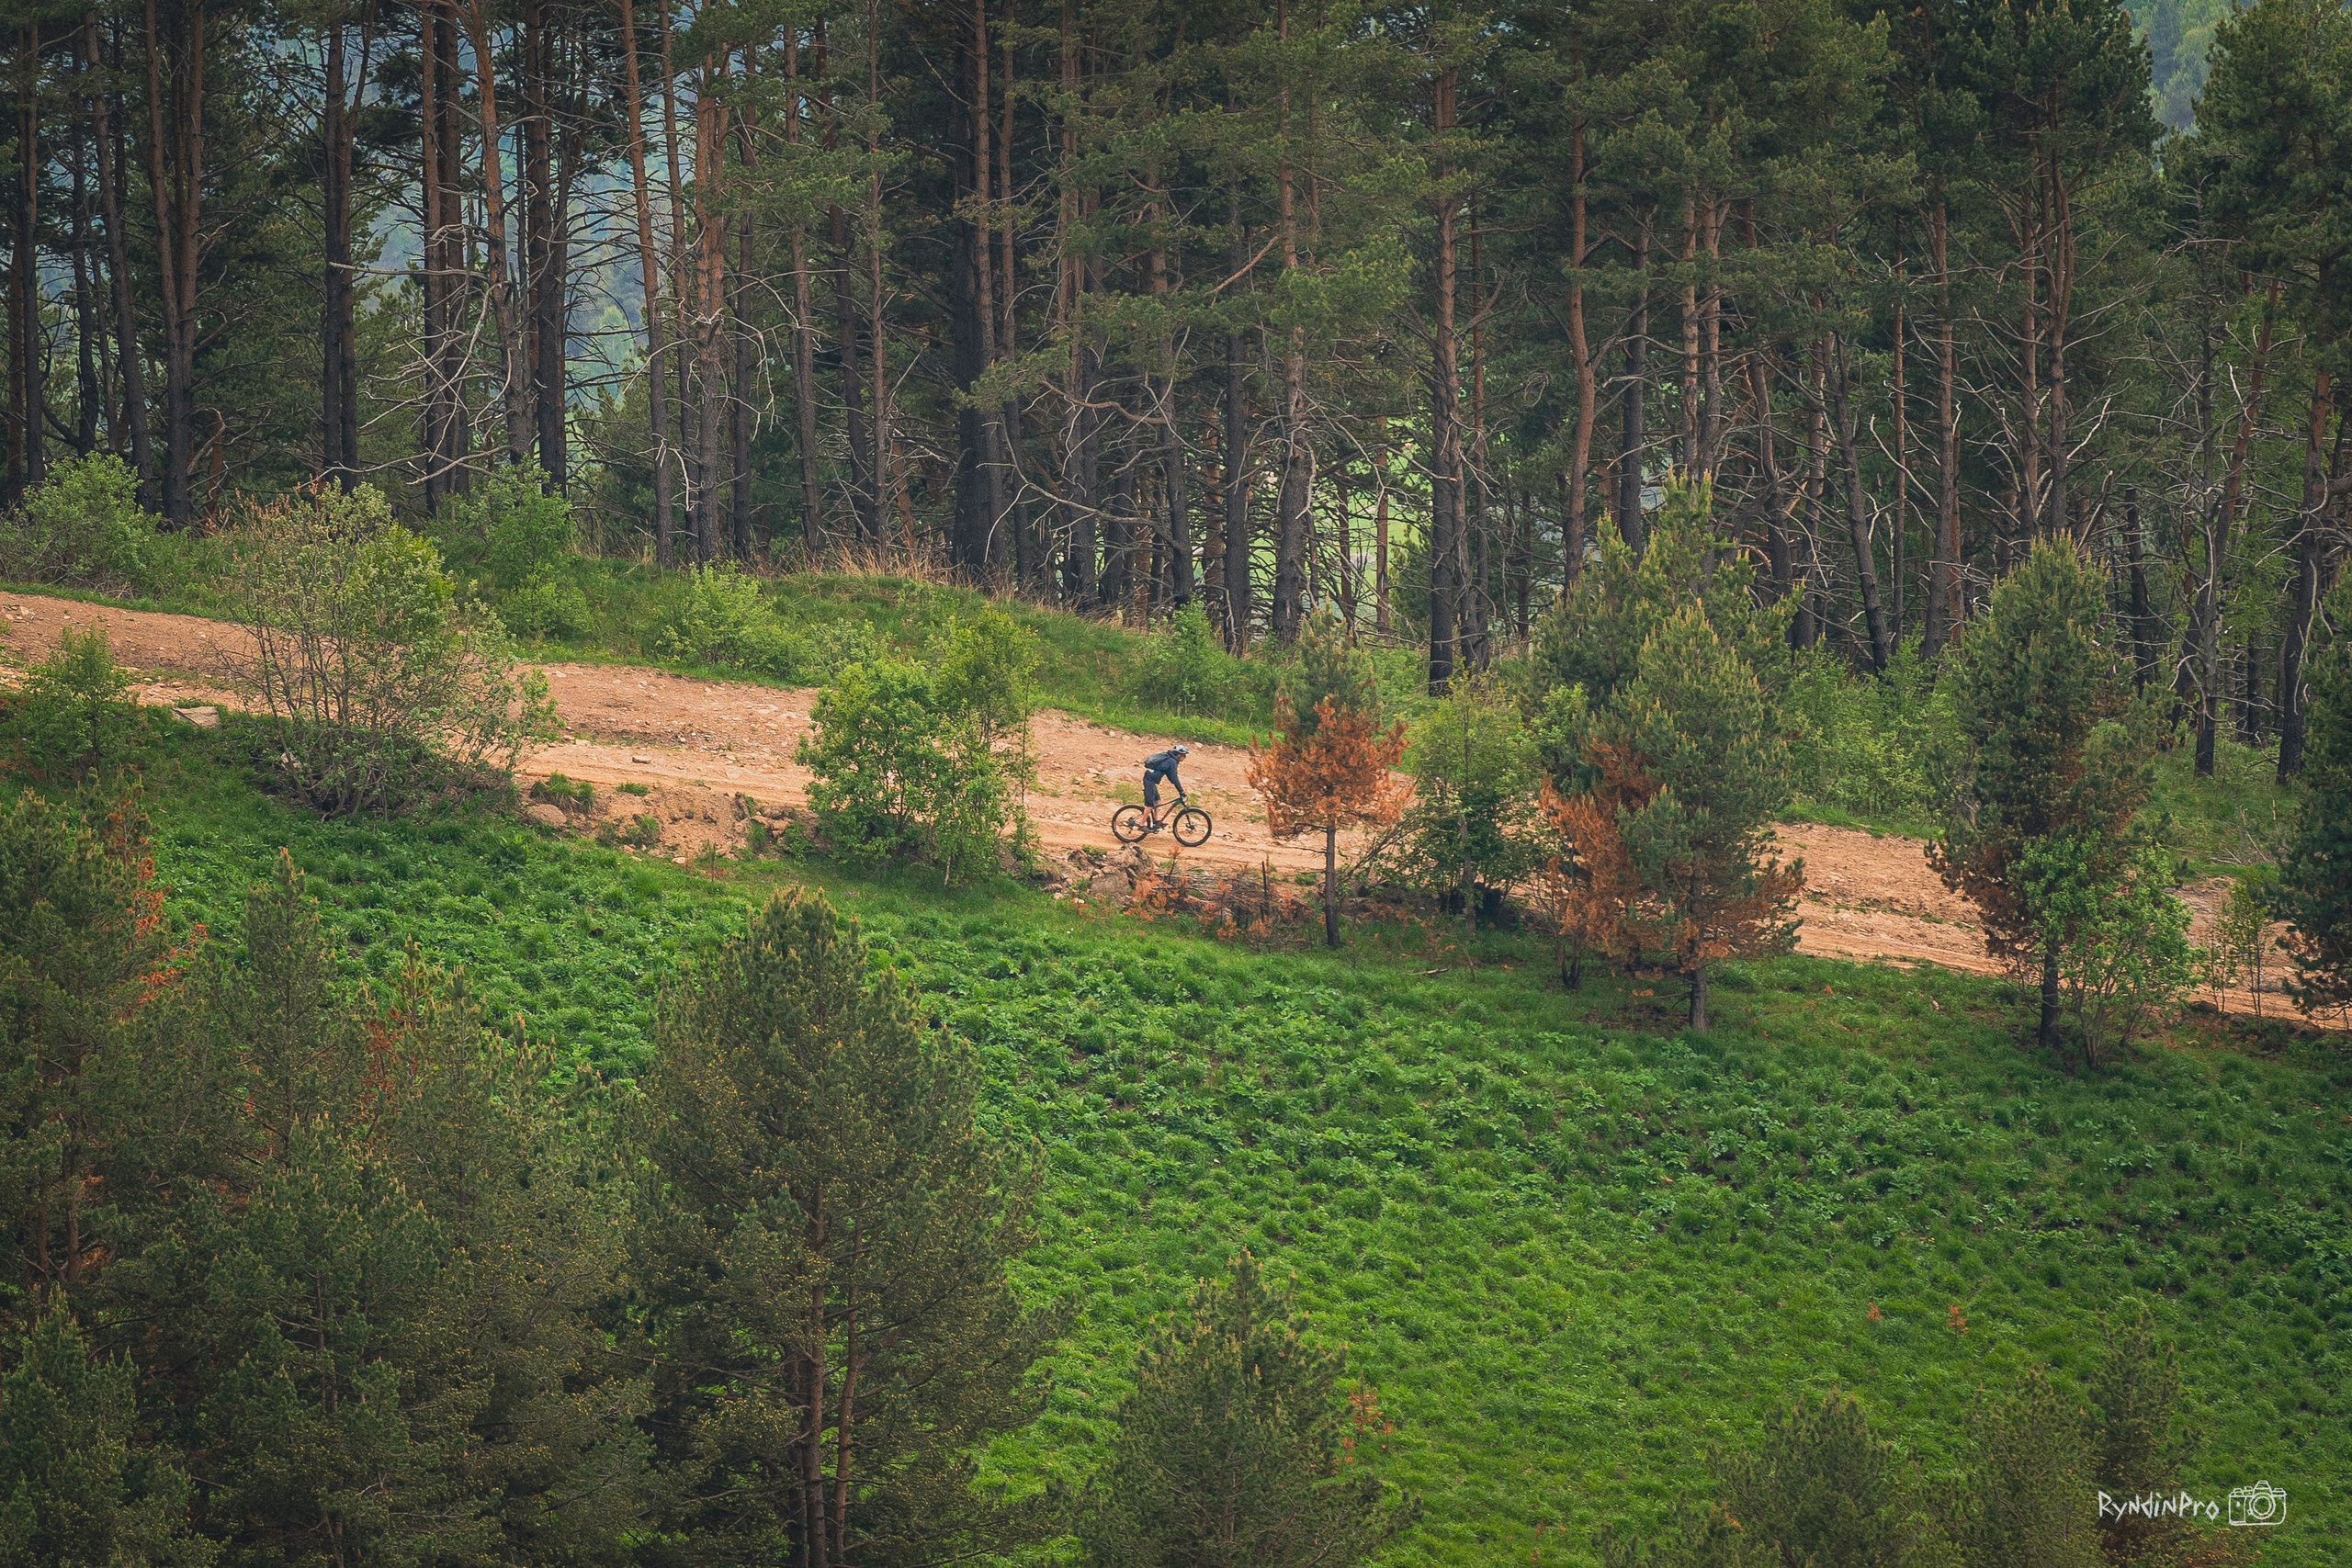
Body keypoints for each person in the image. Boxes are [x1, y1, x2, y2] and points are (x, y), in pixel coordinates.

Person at [1141, 744, 1189, 829]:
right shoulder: (1172, 762)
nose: (1185, 758)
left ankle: (1156, 821)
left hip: (1150, 779)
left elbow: (1171, 777)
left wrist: (1179, 788)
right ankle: (1141, 824)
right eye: (1184, 755)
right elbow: (1174, 778)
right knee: (1150, 805)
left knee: (1157, 801)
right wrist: (1181, 791)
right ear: (1179, 755)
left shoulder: (1171, 760)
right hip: (1149, 780)